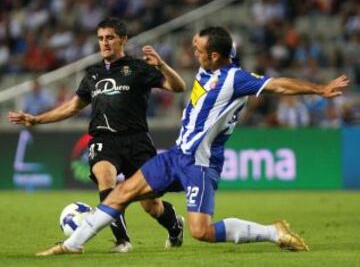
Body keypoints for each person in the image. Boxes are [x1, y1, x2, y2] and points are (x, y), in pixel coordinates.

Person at [34, 26, 350, 256]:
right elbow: (217, 50)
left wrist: (319, 89)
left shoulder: (235, 79)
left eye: (198, 49)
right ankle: (71, 246)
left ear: (215, 55)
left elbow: (278, 85)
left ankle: (273, 232)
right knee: (121, 192)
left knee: (202, 231)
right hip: (176, 154)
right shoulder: (208, 65)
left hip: (200, 162)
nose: (193, 52)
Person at [8, 17, 186, 253]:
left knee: (150, 204)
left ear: (123, 39)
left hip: (137, 140)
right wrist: (36, 119)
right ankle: (123, 241)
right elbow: (72, 107)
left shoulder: (139, 68)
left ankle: (175, 225)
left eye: (110, 37)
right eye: (101, 38)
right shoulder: (92, 74)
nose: (105, 43)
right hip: (104, 140)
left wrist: (162, 65)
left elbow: (178, 87)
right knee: (105, 177)